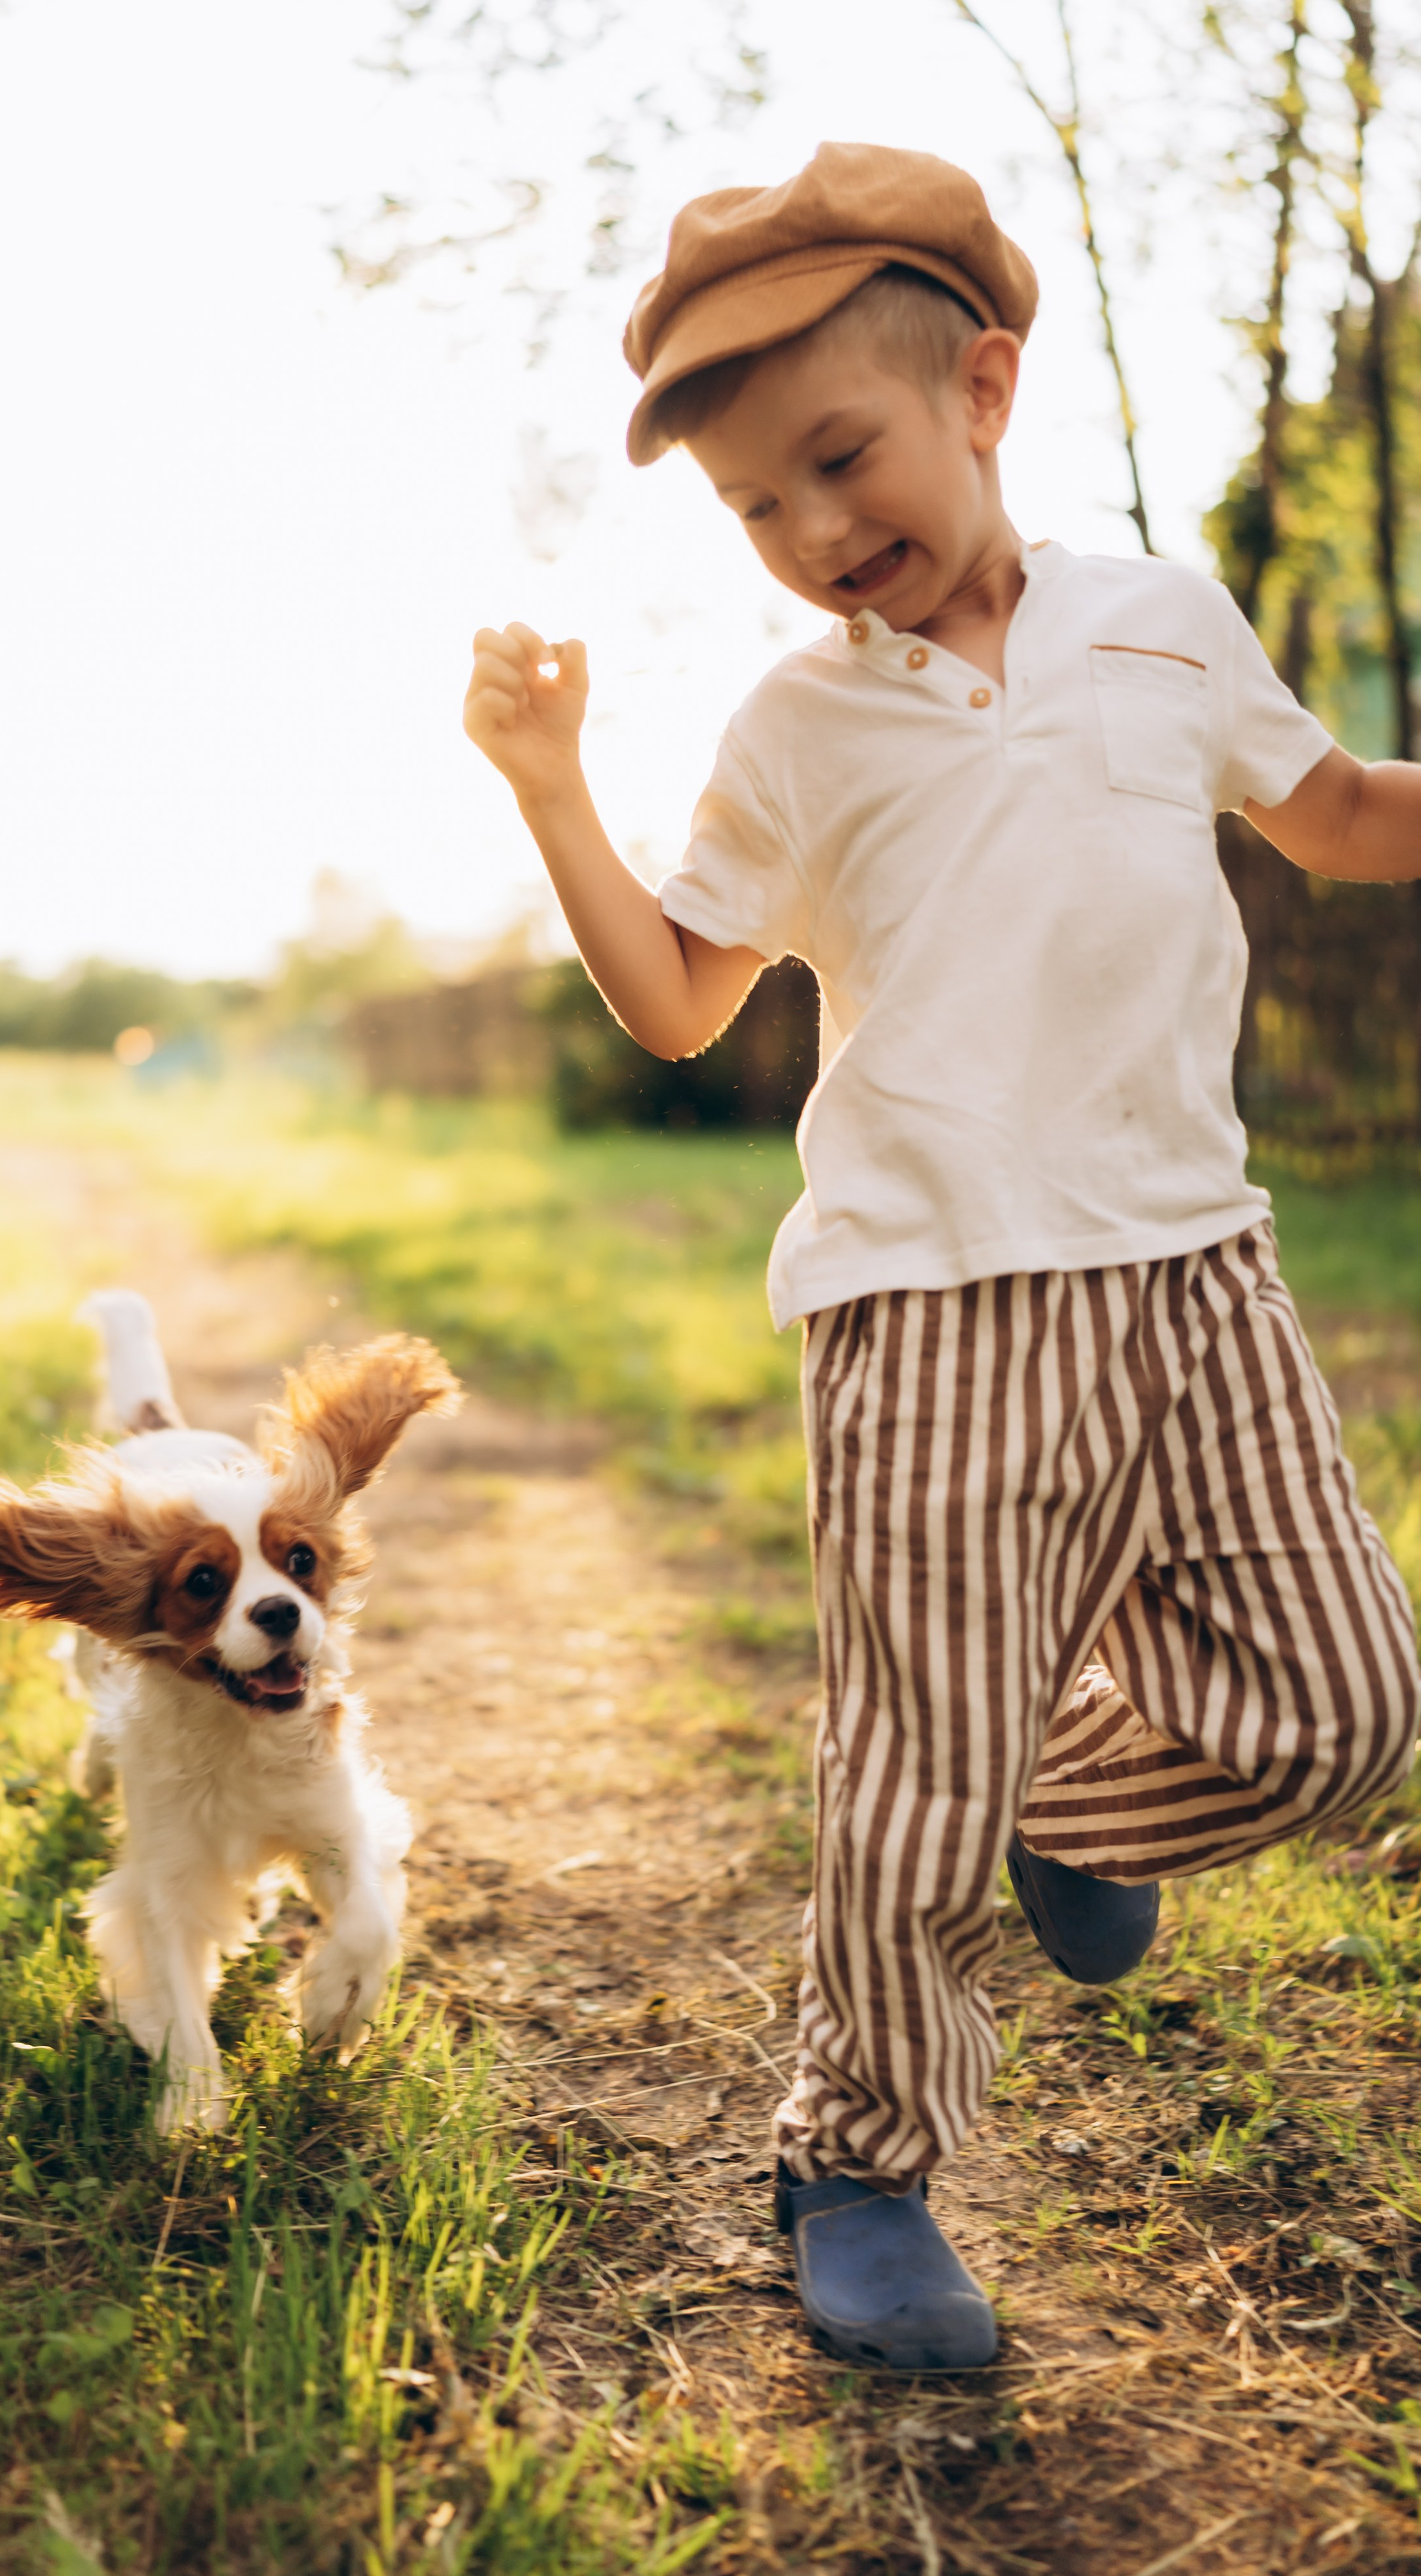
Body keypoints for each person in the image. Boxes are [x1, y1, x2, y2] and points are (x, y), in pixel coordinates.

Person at [461, 141, 1421, 2375]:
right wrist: (549, 785)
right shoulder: (799, 727)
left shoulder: (1166, 624)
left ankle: (1065, 1798)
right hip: (927, 1302)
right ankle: (860, 2166)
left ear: (980, 390)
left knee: (1349, 1709)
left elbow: (1344, 816)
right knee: (911, 1780)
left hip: (1196, 1267)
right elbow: (678, 999)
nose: (812, 529)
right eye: (755, 506)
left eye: (840, 456)